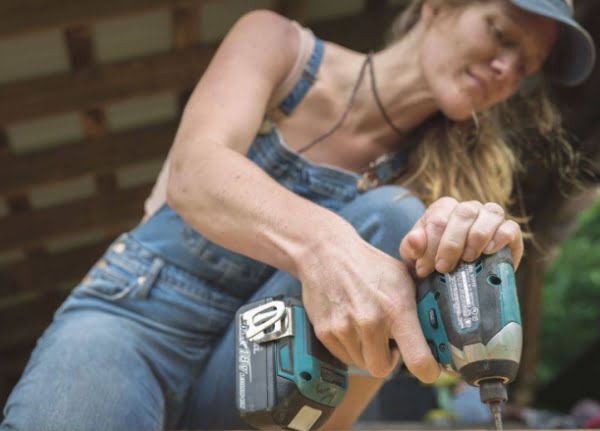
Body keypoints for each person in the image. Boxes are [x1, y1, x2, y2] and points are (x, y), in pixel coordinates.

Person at [1, 0, 595, 430]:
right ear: (437, 5)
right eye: (502, 34)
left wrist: (466, 246)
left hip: (267, 369)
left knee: (394, 218)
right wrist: (326, 246)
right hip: (140, 314)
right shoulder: (282, 46)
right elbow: (194, 172)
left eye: (527, 67)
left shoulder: (435, 186)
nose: (509, 71)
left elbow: (342, 410)